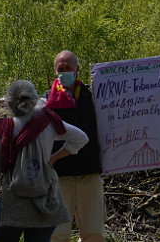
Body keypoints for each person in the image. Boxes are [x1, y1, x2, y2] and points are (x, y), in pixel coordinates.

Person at [0, 80, 89, 242]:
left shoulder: (6, 128)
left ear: (10, 102)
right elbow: (81, 138)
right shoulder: (49, 122)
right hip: (45, 200)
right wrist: (54, 158)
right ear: (35, 98)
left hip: (13, 201)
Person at [43, 51, 106, 242]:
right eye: (60, 69)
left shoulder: (95, 97)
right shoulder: (46, 101)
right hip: (59, 177)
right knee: (57, 234)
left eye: (68, 68)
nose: (64, 73)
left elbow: (123, 120)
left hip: (90, 174)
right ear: (55, 71)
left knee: (94, 233)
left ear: (77, 69)